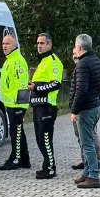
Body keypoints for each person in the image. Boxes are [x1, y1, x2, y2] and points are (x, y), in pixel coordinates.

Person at [70, 33, 100, 189]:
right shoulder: (96, 60)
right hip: (95, 105)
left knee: (87, 143)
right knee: (87, 141)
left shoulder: (82, 64)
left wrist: (75, 110)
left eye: (75, 46)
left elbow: (81, 90)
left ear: (79, 46)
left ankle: (94, 177)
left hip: (86, 108)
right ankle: (87, 172)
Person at [28, 32, 63, 179]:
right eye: (38, 43)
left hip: (47, 106)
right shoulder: (42, 61)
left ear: (49, 44)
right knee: (39, 138)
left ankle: (50, 168)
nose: (39, 46)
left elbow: (56, 84)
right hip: (38, 106)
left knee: (46, 138)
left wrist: (36, 88)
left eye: (42, 43)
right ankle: (46, 165)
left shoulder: (54, 61)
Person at [0, 28, 31, 171]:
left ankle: (15, 159)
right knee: (18, 132)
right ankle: (24, 159)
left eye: (8, 43)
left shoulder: (17, 61)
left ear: (15, 45)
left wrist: (20, 105)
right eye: (3, 43)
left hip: (17, 104)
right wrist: (0, 87)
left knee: (15, 132)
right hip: (10, 102)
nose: (4, 46)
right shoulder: (9, 61)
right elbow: (10, 82)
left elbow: (22, 83)